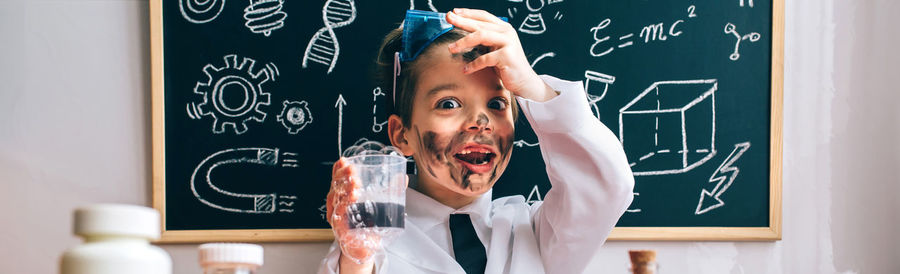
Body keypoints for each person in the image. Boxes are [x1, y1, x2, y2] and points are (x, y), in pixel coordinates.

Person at [318, 8, 634, 274]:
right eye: (448, 104)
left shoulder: (535, 231)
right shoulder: (372, 236)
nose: (478, 123)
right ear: (402, 135)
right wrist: (357, 257)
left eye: (497, 104)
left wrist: (532, 87)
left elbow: (608, 185)